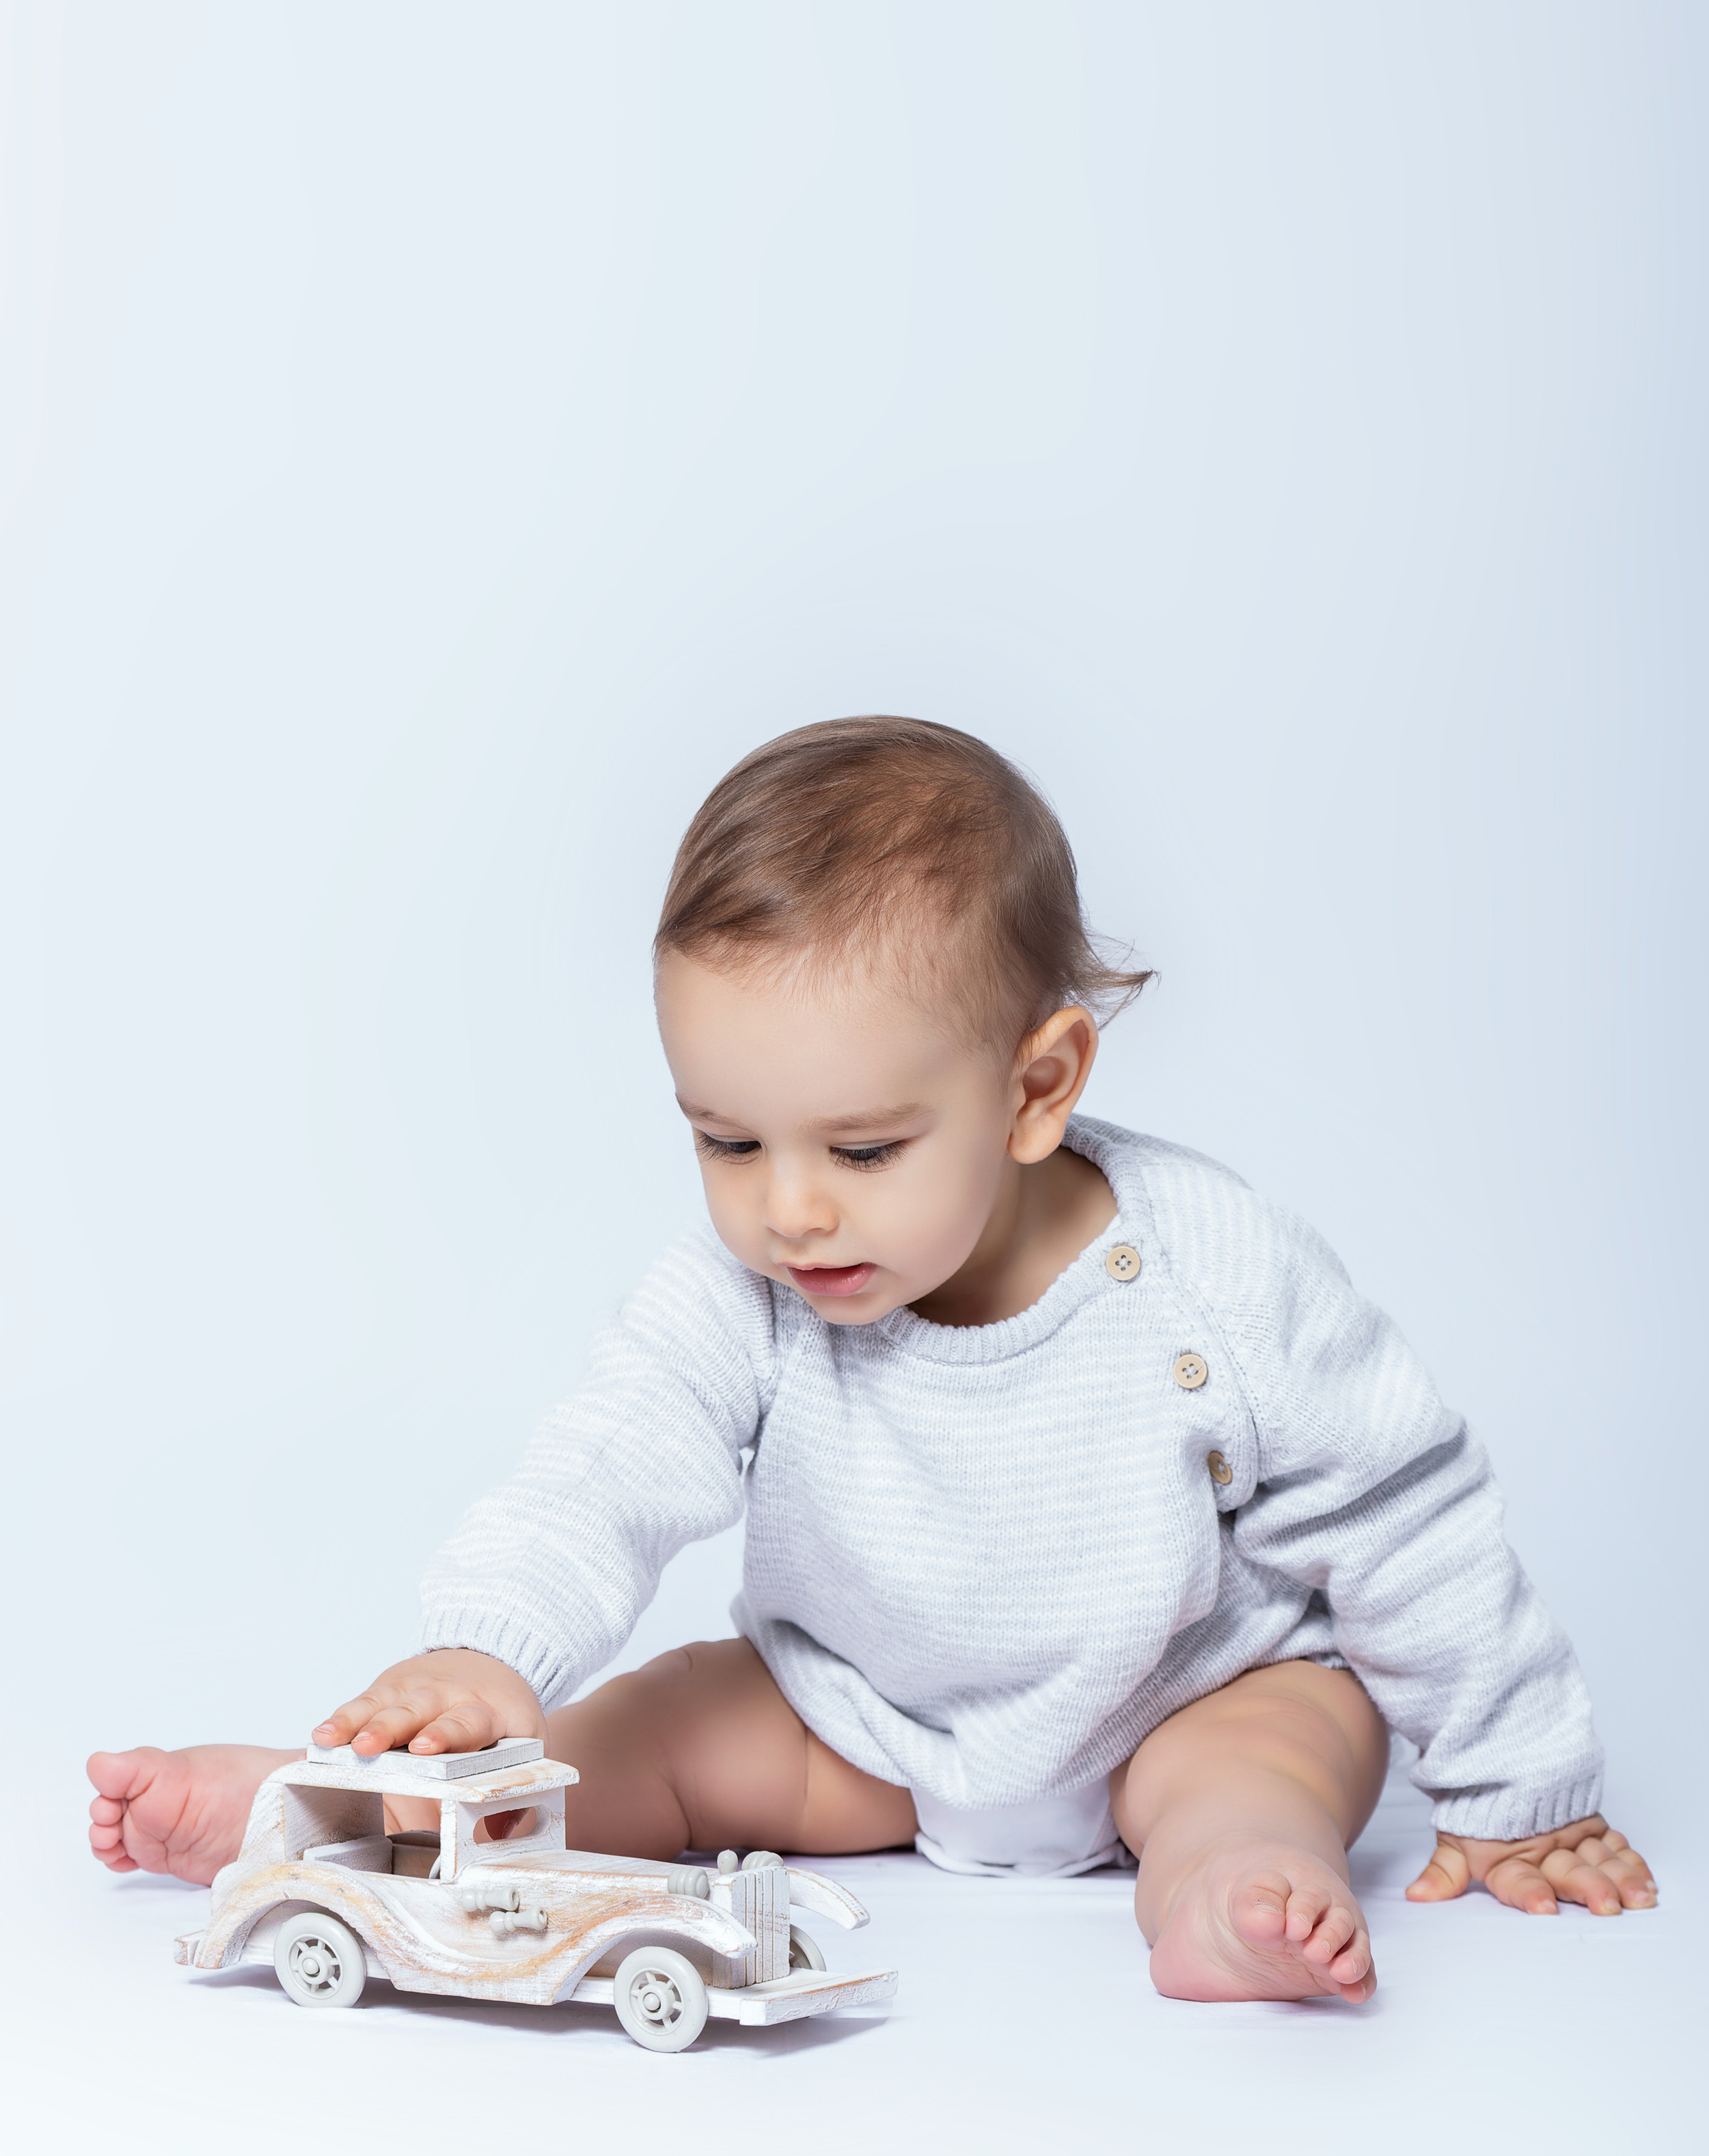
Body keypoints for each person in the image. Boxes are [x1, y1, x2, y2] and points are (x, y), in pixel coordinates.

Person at [86, 717, 1654, 2002]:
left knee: (1278, 1747)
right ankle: (338, 1823)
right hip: (854, 1723)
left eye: (863, 1144)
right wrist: (489, 1648)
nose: (788, 1206)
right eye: (725, 1137)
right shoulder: (747, 1283)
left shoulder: (1213, 1273)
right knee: (647, 1731)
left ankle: (1231, 1895)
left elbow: (1406, 1518)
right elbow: (609, 1455)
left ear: (1035, 1085)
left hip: (1181, 1693)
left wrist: (1528, 1790)